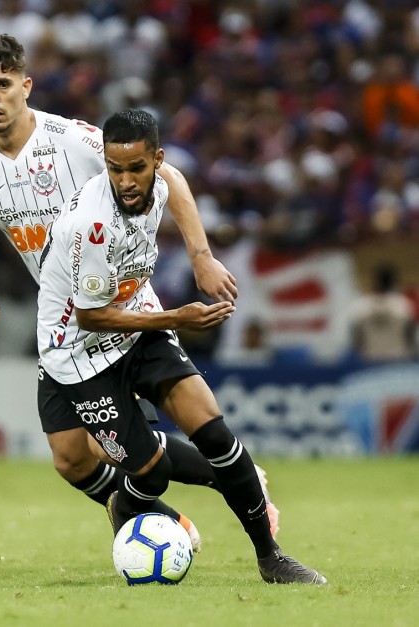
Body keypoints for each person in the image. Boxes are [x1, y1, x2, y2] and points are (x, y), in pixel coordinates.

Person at [0, 33, 278, 548]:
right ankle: (160, 516)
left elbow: (171, 179)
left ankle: (231, 484)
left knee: (142, 444)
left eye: (3, 84)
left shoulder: (72, 139)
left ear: (25, 87)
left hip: (125, 304)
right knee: (72, 458)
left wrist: (202, 258)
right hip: (67, 318)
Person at [35, 109, 325, 584]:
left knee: (213, 430)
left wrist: (202, 258)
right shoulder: (91, 224)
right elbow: (90, 315)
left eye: (137, 168)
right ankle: (133, 498)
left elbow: (178, 186)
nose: (126, 181)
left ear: (157, 160)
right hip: (78, 352)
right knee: (149, 474)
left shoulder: (161, 180)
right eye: (114, 168)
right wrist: (177, 317)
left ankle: (272, 558)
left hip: (137, 324)